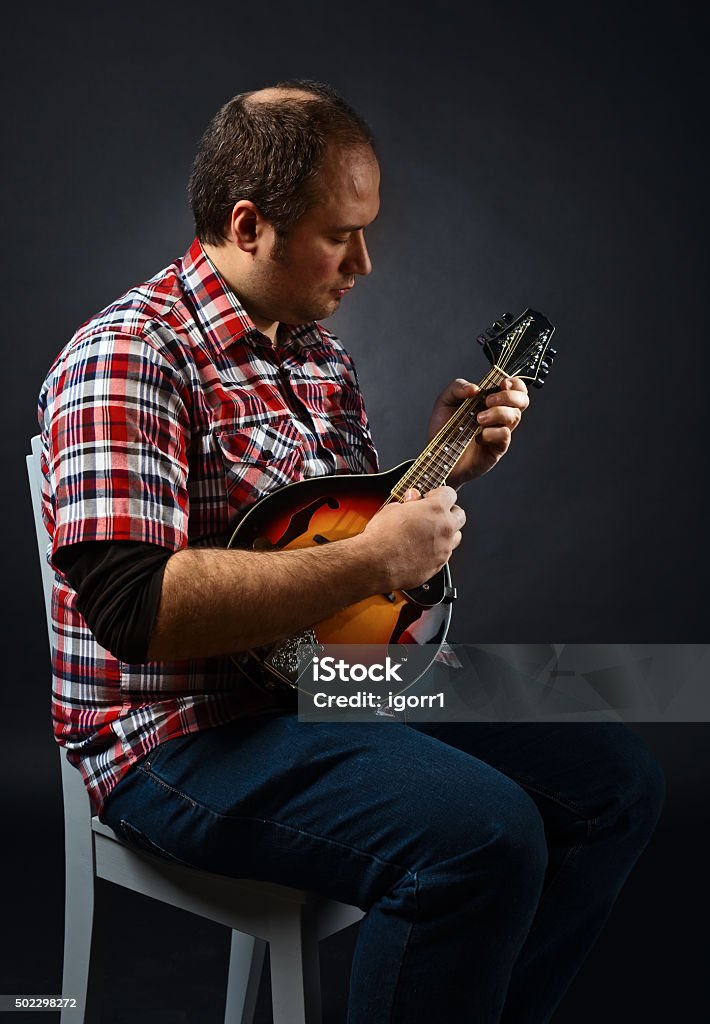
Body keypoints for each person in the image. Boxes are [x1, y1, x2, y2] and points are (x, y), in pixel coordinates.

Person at [38, 80, 665, 1023]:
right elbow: (137, 611)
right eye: (343, 234)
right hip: (181, 735)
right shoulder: (128, 356)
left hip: (322, 677)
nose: (365, 262)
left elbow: (335, 542)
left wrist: (442, 459)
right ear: (249, 226)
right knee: (482, 839)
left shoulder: (318, 354)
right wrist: (378, 559)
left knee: (618, 784)